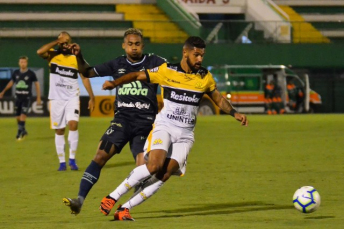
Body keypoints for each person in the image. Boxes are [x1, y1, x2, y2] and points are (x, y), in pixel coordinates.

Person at [99, 36, 248, 221]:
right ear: (185, 53)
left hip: (185, 135)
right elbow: (137, 75)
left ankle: (126, 209)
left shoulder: (205, 77)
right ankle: (113, 196)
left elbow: (218, 98)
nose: (200, 59)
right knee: (154, 165)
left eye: (202, 55)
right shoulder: (166, 71)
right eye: (196, 55)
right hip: (165, 127)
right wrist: (115, 83)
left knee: (165, 173)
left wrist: (235, 113)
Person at [62, 28, 166, 215]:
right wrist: (79, 55)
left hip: (146, 124)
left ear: (142, 45)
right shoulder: (117, 63)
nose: (134, 48)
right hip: (122, 121)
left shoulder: (155, 62)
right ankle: (80, 200)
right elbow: (87, 71)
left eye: (137, 44)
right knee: (100, 156)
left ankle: (126, 207)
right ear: (124, 45)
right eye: (130, 44)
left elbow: (174, 77)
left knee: (144, 167)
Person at [37, 31, 95, 171]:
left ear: (70, 43)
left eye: (66, 41)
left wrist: (92, 97)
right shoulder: (52, 55)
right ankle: (62, 162)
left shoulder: (76, 58)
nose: (64, 44)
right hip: (56, 98)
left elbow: (85, 77)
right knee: (60, 130)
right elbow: (39, 52)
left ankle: (72, 160)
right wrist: (57, 42)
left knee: (73, 124)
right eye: (62, 42)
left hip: (72, 97)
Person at [0, 56, 41, 140]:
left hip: (27, 97)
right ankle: (23, 130)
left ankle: (19, 133)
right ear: (19, 63)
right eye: (21, 62)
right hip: (18, 97)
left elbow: (37, 85)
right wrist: (3, 91)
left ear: (27, 63)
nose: (23, 64)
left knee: (23, 114)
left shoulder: (31, 73)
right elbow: (11, 82)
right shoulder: (16, 73)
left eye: (24, 62)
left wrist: (38, 97)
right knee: (17, 117)